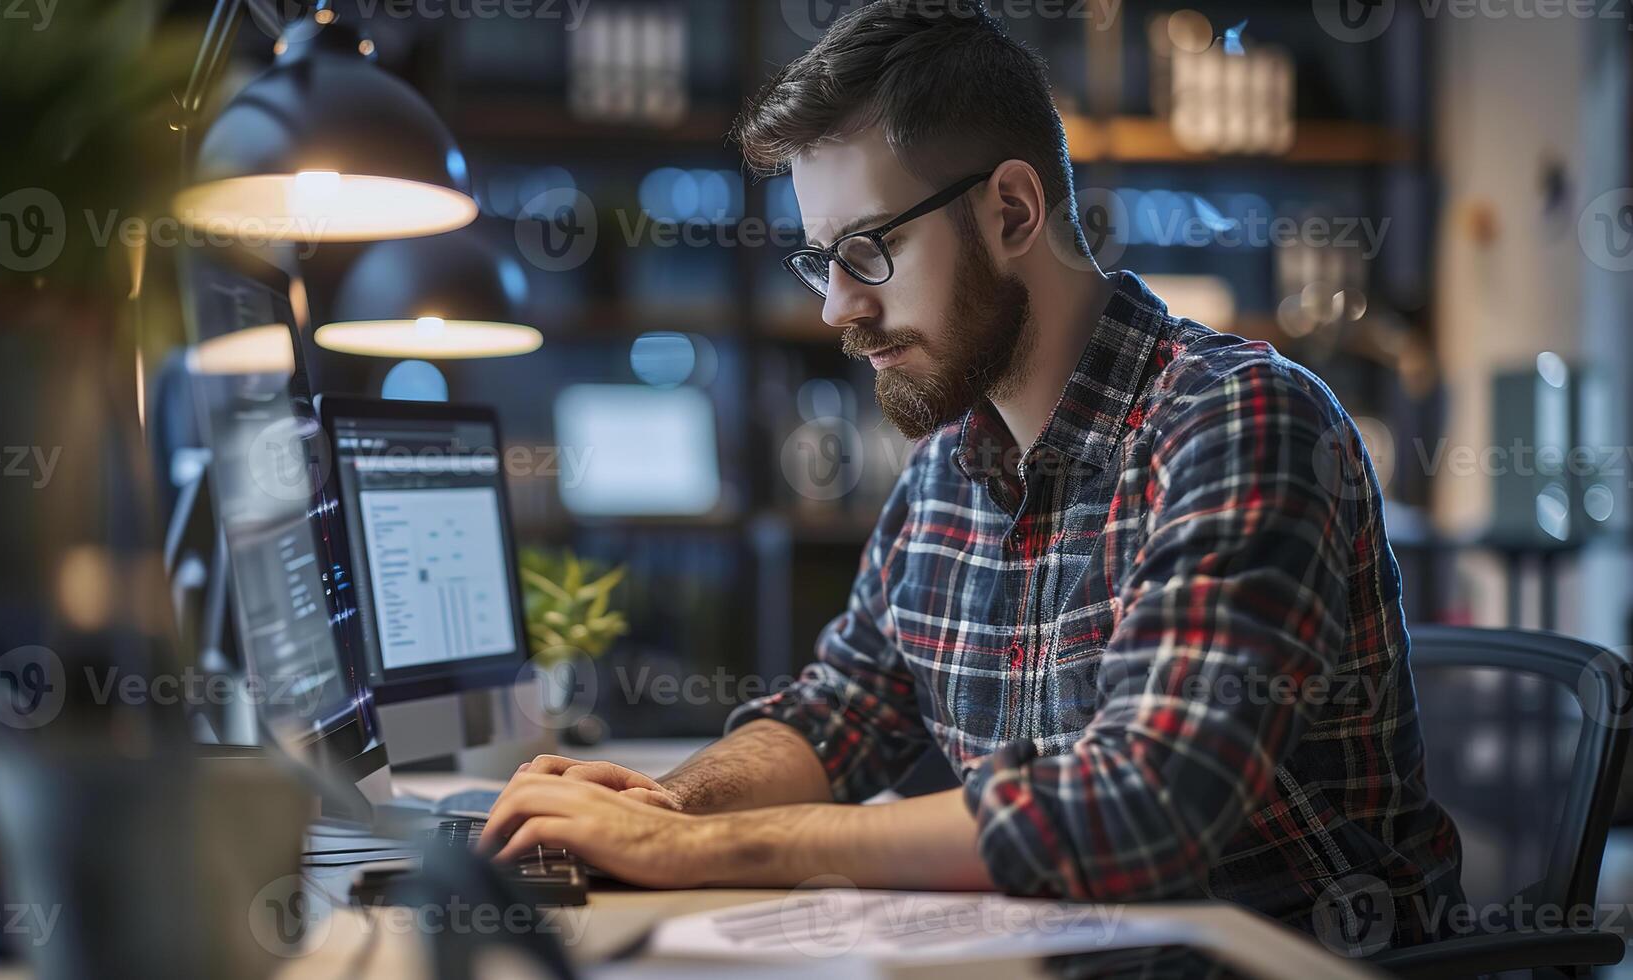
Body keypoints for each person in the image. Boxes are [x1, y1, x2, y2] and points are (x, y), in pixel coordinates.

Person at [480, 0, 1461, 951]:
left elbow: (1146, 801)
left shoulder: (1238, 419)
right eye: (819, 260)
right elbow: (838, 713)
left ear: (1012, 209)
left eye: (868, 250)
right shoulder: (948, 464)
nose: (835, 308)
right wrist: (660, 805)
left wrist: (700, 846)